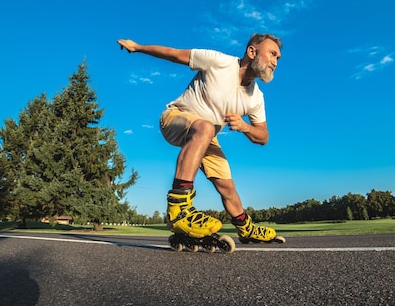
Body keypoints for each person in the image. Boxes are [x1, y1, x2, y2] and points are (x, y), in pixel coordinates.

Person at [117, 33, 283, 242]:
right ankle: (179, 208)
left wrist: (244, 127)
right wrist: (138, 47)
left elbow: (263, 136)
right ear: (252, 52)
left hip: (206, 136)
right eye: (272, 54)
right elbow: (175, 54)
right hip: (174, 118)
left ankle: (245, 228)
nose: (275, 62)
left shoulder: (256, 97)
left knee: (227, 186)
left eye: (278, 58)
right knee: (205, 127)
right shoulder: (219, 62)